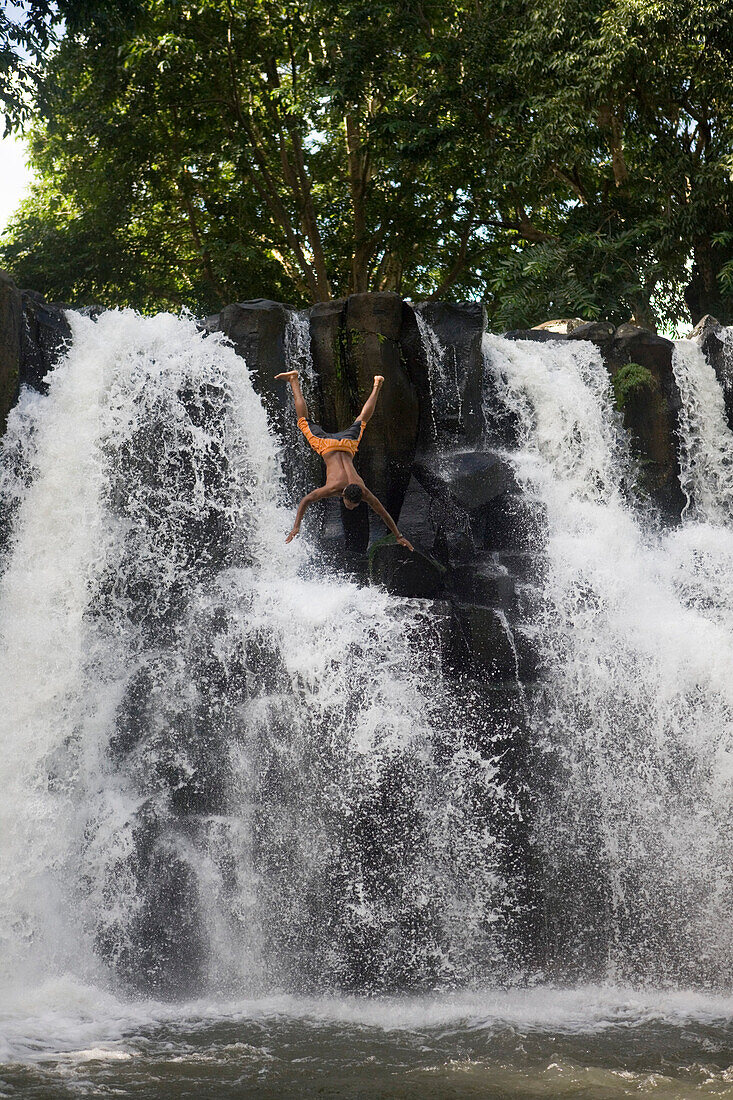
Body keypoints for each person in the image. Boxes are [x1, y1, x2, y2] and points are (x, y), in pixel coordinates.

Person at [275, 370, 414, 550]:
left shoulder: (364, 492)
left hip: (348, 444)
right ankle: (293, 379)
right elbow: (306, 500)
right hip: (326, 446)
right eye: (350, 504)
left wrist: (399, 536)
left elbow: (384, 514)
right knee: (303, 421)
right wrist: (296, 527)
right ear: (345, 495)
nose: (351, 507)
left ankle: (377, 384)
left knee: (362, 420)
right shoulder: (334, 488)